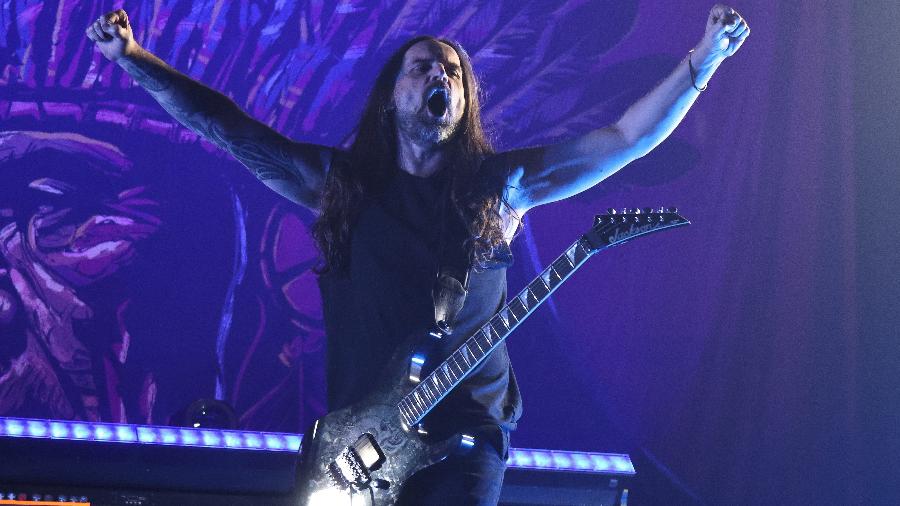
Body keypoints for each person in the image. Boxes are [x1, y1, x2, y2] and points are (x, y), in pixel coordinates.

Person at [85, 5, 749, 504]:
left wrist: (702, 62)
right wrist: (136, 60)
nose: (443, 74)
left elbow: (623, 138)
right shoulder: (342, 183)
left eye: (455, 71)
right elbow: (228, 128)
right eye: (424, 65)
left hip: (463, 442)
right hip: (359, 448)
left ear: (464, 103)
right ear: (391, 96)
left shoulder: (501, 187)